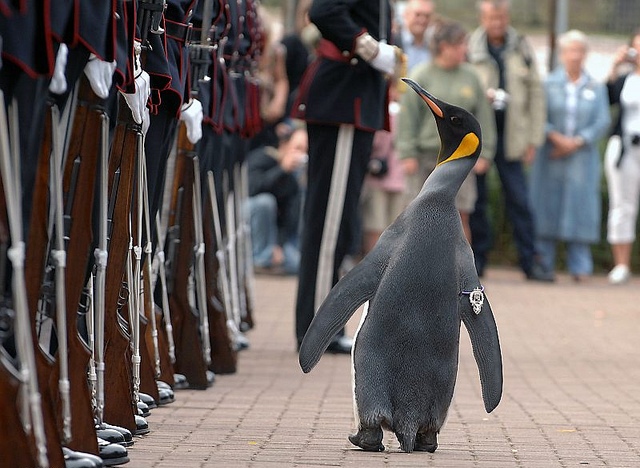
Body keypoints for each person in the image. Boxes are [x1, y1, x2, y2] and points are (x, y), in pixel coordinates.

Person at [291, 0, 400, 353]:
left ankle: (324, 324)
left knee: (339, 225)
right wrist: (367, 47)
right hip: (343, 100)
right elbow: (322, 11)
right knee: (328, 224)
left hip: (354, 100)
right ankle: (315, 327)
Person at [467, 0, 548, 280]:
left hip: (513, 138)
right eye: (491, 17)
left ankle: (530, 261)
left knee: (520, 201)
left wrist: (533, 140)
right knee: (476, 201)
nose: (497, 23)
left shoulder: (522, 48)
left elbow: (537, 95)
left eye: (501, 17)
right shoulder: (470, 47)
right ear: (482, 18)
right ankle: (477, 261)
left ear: (507, 16)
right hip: (480, 138)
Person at [396, 20, 496, 243]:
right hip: (425, 157)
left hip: (460, 159)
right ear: (445, 47)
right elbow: (408, 117)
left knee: (460, 216)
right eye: (461, 44)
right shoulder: (422, 75)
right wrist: (407, 152)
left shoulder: (470, 76)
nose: (465, 49)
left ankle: (461, 272)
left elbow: (483, 117)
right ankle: (415, 271)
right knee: (416, 216)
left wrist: (485, 152)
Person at [529, 30, 610, 282]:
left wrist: (576, 141)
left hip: (581, 157)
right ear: (562, 54)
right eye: (570, 51)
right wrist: (556, 137)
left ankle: (580, 265)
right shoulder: (548, 83)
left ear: (585, 55)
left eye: (580, 51)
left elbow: (602, 121)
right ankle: (544, 263)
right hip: (551, 154)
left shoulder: (596, 87)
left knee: (581, 206)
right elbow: (538, 115)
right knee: (546, 204)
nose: (575, 56)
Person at [246, 123, 307, 275]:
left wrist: (278, 245)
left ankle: (269, 259)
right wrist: (281, 170)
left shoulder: (293, 180)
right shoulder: (263, 157)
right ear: (284, 145)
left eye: (305, 150)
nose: (301, 154)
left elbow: (288, 218)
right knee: (265, 202)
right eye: (297, 148)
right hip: (246, 224)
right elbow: (251, 189)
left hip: (273, 236)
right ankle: (259, 259)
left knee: (298, 264)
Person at [604, 27, 640, 284]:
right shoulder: (626, 78)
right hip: (626, 147)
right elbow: (606, 97)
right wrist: (614, 66)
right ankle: (621, 264)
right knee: (622, 205)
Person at [360, 83, 406, 254]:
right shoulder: (402, 112)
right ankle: (386, 269)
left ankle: (377, 268)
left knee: (377, 225)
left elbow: (375, 143)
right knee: (386, 226)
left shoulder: (388, 113)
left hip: (385, 175)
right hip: (395, 176)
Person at [397, 0, 436, 72]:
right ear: (405, 14)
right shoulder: (393, 41)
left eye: (427, 16)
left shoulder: (435, 47)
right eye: (417, 14)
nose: (422, 20)